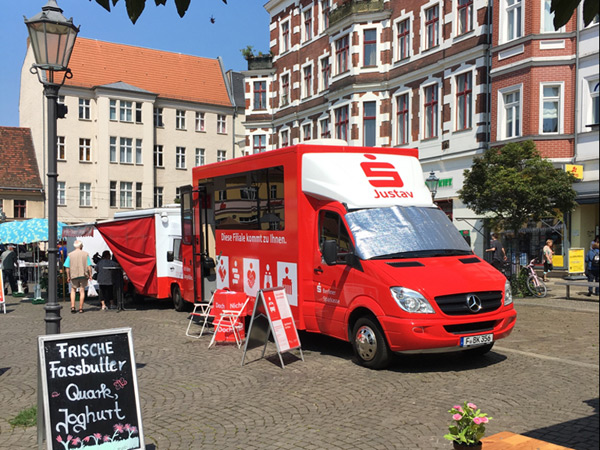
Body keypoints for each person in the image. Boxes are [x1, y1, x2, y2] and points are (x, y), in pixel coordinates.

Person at [64, 240, 92, 313]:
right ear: (81, 246)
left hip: (74, 275)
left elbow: (67, 267)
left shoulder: (70, 255)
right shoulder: (85, 254)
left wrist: (68, 276)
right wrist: (90, 275)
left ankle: (73, 307)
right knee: (82, 291)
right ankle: (81, 308)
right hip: (83, 274)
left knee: (73, 290)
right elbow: (89, 266)